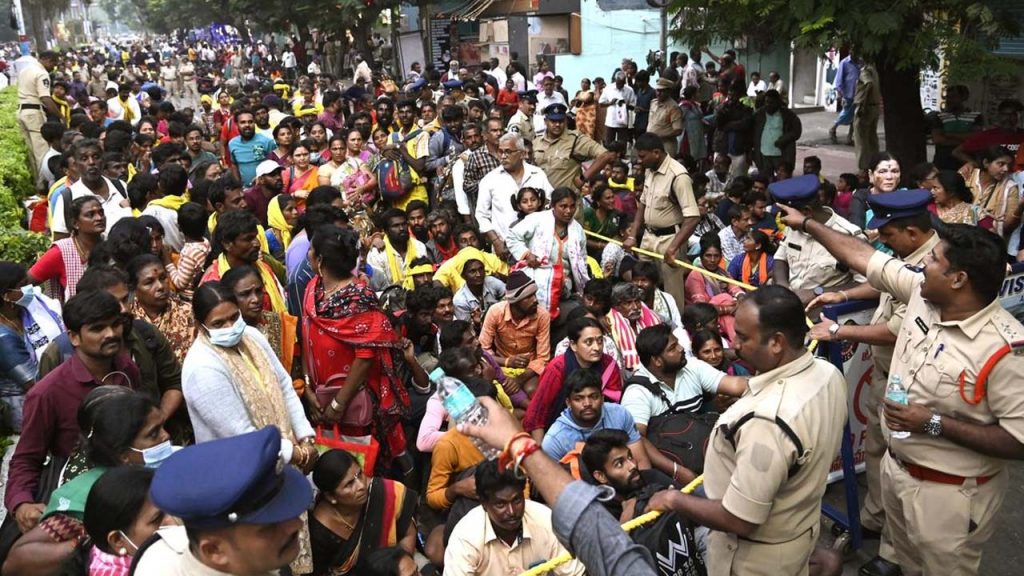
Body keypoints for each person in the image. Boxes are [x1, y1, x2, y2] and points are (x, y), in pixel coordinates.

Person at [775, 200, 1024, 576]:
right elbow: (865, 258)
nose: (924, 265)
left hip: (951, 496)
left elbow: (1018, 440)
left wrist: (934, 423)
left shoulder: (1006, 350)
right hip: (898, 473)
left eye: (936, 260)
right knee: (906, 564)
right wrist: (809, 224)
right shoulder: (923, 296)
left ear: (958, 279)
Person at [646, 286, 847, 576]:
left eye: (742, 337)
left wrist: (674, 499)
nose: (734, 346)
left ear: (777, 342)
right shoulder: (828, 374)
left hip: (755, 558)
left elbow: (740, 519)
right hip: (800, 532)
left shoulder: (765, 422)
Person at [803, 188, 939, 576]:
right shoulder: (908, 259)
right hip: (885, 376)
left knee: (901, 465)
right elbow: (883, 282)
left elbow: (897, 329)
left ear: (912, 232)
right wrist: (843, 292)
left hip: (907, 384)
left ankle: (894, 554)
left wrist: (841, 331)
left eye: (889, 234)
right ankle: (876, 517)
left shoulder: (932, 270)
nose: (883, 241)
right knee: (879, 452)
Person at [5, 291, 140, 535]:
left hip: (130, 489)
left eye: (115, 324)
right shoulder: (48, 393)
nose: (111, 334)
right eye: (98, 328)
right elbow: (26, 458)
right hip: (80, 501)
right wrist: (21, 502)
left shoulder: (127, 370)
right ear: (74, 337)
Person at [3, 389, 171, 576]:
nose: (166, 436)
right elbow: (17, 561)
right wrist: (91, 542)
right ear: (122, 453)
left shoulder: (161, 469)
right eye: (153, 433)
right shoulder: (90, 495)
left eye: (163, 427)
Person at [133, 426, 314, 575]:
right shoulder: (157, 564)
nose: (296, 525)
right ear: (214, 551)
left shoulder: (255, 560)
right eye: (269, 527)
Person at [182, 282, 316, 482]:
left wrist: (305, 437)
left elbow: (283, 385)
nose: (230, 327)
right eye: (218, 323)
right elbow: (242, 435)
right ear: (200, 325)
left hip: (284, 453)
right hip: (240, 473)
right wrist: (297, 455)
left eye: (234, 317)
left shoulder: (251, 336)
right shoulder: (202, 368)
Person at [303, 225, 411, 468]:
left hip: (353, 400)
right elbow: (306, 339)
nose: (307, 254)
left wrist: (338, 404)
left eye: (311, 250)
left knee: (361, 463)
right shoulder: (313, 289)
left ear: (320, 259)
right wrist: (308, 390)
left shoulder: (359, 297)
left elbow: (365, 356)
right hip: (319, 399)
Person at [444, 460, 586, 576]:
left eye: (517, 500)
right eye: (501, 504)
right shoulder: (466, 538)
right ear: (484, 504)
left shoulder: (546, 520)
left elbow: (574, 573)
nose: (511, 512)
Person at [309, 450, 418, 575]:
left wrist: (400, 566)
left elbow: (408, 533)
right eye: (349, 484)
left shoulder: (385, 492)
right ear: (330, 497)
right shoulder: (320, 530)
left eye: (359, 474)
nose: (361, 485)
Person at [770, 175, 867, 304]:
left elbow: (866, 285)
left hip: (825, 317)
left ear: (806, 212)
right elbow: (781, 258)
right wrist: (783, 287)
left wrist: (817, 293)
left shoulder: (849, 236)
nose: (782, 219)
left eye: (784, 214)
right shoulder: (794, 226)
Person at [525, 316, 623, 441]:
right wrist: (541, 451)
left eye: (600, 341)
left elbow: (615, 406)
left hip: (601, 432)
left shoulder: (609, 365)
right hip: (561, 434)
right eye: (589, 342)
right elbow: (537, 413)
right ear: (573, 345)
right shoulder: (557, 368)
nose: (597, 348)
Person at [506, 187, 590, 320]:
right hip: (539, 283)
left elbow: (582, 261)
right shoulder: (537, 219)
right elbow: (511, 236)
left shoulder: (578, 230)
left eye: (572, 206)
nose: (568, 211)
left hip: (565, 288)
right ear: (553, 206)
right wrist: (527, 254)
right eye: (563, 206)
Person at [540, 369, 649, 466]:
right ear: (568, 403)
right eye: (579, 399)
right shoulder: (555, 439)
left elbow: (640, 461)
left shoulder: (620, 414)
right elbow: (551, 483)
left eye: (594, 397)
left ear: (602, 398)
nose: (587, 403)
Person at [476, 133, 554, 258]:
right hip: (505, 248)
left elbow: (550, 203)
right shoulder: (490, 179)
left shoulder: (537, 174)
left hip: (538, 247)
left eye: (508, 152)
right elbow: (481, 215)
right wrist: (496, 242)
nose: (503, 156)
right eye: (500, 151)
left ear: (522, 153)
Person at [479, 271, 551, 398]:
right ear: (515, 301)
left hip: (529, 368)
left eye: (534, 295)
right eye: (529, 297)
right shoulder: (495, 312)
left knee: (532, 391)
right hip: (499, 365)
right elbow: (483, 350)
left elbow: (543, 358)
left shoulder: (542, 316)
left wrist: (520, 379)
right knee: (497, 391)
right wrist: (507, 362)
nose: (535, 300)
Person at [28, 195, 104, 301]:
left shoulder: (111, 246)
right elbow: (24, 283)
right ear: (75, 223)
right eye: (90, 215)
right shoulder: (61, 251)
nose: (99, 218)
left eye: (101, 213)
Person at [50, 139, 132, 239]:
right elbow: (60, 240)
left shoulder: (121, 187)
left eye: (96, 157)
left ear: (103, 160)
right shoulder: (67, 198)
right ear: (76, 165)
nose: (91, 162)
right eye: (84, 159)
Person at [534, 103, 616, 195]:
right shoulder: (536, 142)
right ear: (545, 121)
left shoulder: (576, 140)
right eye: (553, 121)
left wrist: (583, 178)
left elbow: (606, 156)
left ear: (565, 121)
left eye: (561, 121)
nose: (557, 124)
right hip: (543, 202)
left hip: (568, 203)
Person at [127, 254, 195, 364]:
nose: (160, 286)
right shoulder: (127, 318)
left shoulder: (188, 313)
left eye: (163, 278)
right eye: (149, 282)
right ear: (134, 288)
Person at [18, 51, 60, 181]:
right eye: (53, 63)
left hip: (21, 112)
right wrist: (61, 116)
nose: (53, 67)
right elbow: (45, 98)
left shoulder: (25, 71)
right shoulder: (42, 74)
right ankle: (45, 183)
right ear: (46, 59)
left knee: (32, 151)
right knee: (41, 150)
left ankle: (39, 182)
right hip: (34, 113)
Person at [961, 145, 1019, 238]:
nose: (1006, 169)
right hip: (959, 234)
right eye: (1001, 164)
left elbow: (1007, 226)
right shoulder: (966, 175)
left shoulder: (1010, 188)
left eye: (1008, 165)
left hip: (987, 241)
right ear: (986, 163)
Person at [366, 208, 431, 291]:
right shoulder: (377, 254)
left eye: (404, 224)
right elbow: (379, 287)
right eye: (395, 226)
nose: (401, 228)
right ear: (386, 231)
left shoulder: (419, 247)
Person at [928, 85, 983, 171]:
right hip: (943, 163)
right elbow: (938, 139)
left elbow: (976, 138)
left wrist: (949, 135)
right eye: (948, 97)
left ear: (964, 97)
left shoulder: (976, 116)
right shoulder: (939, 116)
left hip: (967, 162)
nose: (949, 100)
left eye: (953, 97)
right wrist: (965, 139)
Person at [752, 90, 802, 176]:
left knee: (783, 180)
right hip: (763, 154)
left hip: (781, 155)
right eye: (766, 102)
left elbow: (797, 131)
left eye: (771, 102)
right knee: (765, 179)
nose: (768, 105)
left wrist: (783, 139)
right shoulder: (759, 114)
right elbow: (750, 131)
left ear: (778, 102)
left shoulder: (788, 115)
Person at [849, 152, 902, 231]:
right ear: (871, 175)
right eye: (882, 171)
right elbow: (857, 234)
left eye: (894, 171)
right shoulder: (861, 198)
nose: (889, 177)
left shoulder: (905, 197)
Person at [227, 109, 277, 186]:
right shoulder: (232, 144)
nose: (247, 125)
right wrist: (238, 184)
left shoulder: (267, 142)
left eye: (250, 122)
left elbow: (275, 164)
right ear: (236, 125)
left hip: (265, 188)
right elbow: (234, 165)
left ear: (254, 123)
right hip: (245, 189)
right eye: (243, 122)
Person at [452, 254, 506, 324]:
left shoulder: (492, 282)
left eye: (481, 269)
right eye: (473, 271)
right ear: (463, 276)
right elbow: (466, 328)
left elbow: (509, 297)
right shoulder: (460, 300)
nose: (478, 274)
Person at [853, 58, 882, 170]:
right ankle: (875, 164)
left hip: (866, 107)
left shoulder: (866, 71)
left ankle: (862, 168)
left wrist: (862, 104)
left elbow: (868, 83)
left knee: (861, 140)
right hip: (874, 107)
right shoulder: (875, 71)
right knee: (872, 138)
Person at [647, 78, 684, 158]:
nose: (659, 93)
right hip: (652, 144)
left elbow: (678, 130)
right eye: (657, 90)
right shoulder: (653, 103)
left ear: (669, 91)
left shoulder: (673, 107)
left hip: (666, 145)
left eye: (662, 91)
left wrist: (660, 135)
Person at [830, 49, 859, 145]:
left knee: (855, 116)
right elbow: (838, 81)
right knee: (845, 113)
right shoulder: (845, 63)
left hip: (858, 94)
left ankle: (849, 137)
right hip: (847, 94)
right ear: (851, 53)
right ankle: (833, 128)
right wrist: (841, 95)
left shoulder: (860, 63)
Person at [598, 72, 635, 146]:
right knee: (609, 143)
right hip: (611, 121)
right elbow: (601, 104)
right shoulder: (608, 88)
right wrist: (610, 103)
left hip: (623, 122)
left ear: (625, 82)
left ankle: (621, 156)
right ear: (615, 80)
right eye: (618, 83)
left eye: (622, 84)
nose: (620, 85)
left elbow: (633, 106)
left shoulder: (629, 90)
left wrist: (624, 104)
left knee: (622, 144)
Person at [265, 194, 298, 261]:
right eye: (289, 209)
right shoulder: (266, 238)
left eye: (295, 208)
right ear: (278, 214)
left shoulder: (297, 232)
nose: (296, 212)